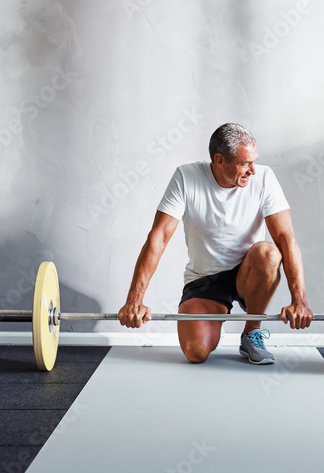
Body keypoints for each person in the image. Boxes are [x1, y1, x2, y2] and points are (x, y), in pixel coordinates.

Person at [117, 123, 313, 365]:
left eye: (254, 161)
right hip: (206, 279)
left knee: (269, 253)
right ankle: (213, 316)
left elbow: (286, 239)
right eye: (244, 163)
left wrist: (300, 301)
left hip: (249, 272)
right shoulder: (186, 177)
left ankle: (251, 332)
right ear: (219, 160)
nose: (252, 170)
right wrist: (134, 300)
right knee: (196, 352)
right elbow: (158, 237)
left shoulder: (264, 178)